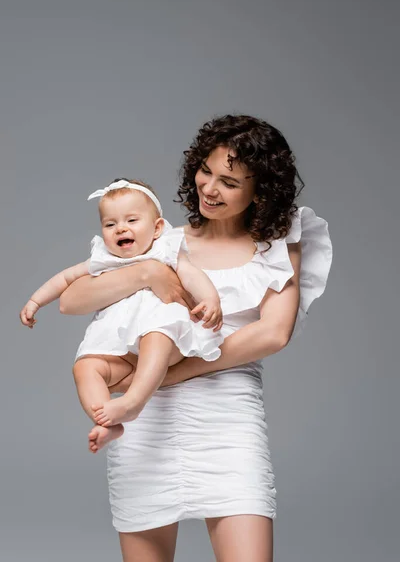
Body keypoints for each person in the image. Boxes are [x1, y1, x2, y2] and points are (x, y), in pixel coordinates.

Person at [60, 114, 333, 562]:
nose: (209, 188)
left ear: (259, 189)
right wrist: (147, 271)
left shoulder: (279, 244)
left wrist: (169, 376)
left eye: (229, 180)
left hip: (224, 417)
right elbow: (72, 301)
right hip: (143, 420)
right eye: (205, 171)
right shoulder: (160, 241)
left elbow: (273, 332)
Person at [20, 178, 224, 451]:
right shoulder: (105, 258)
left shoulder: (166, 250)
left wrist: (211, 299)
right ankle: (106, 423)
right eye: (110, 224)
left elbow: (191, 275)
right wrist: (35, 301)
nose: (121, 229)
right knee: (85, 367)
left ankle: (132, 403)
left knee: (157, 333)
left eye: (132, 220)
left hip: (164, 337)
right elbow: (66, 278)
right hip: (120, 348)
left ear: (157, 228)